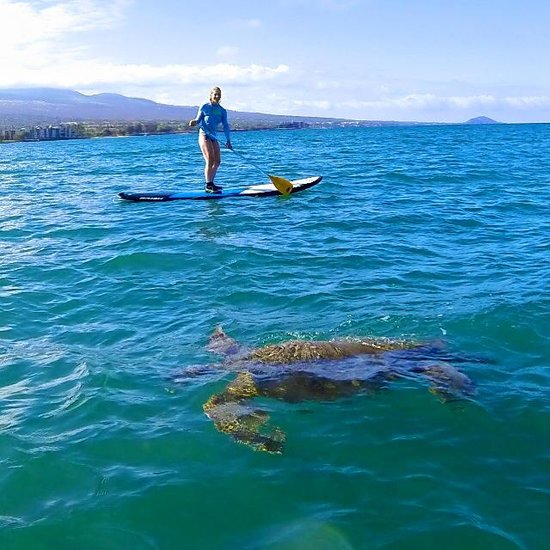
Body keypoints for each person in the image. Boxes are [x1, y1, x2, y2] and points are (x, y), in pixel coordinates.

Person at [189, 86, 232, 193]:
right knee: (210, 159)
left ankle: (211, 183)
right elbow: (198, 120)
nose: (217, 96)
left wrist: (228, 141)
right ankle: (208, 185)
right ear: (211, 95)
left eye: (219, 95)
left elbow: (226, 126)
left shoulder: (222, 111)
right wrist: (193, 122)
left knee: (217, 161)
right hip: (204, 135)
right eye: (215, 94)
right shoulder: (205, 106)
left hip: (213, 136)